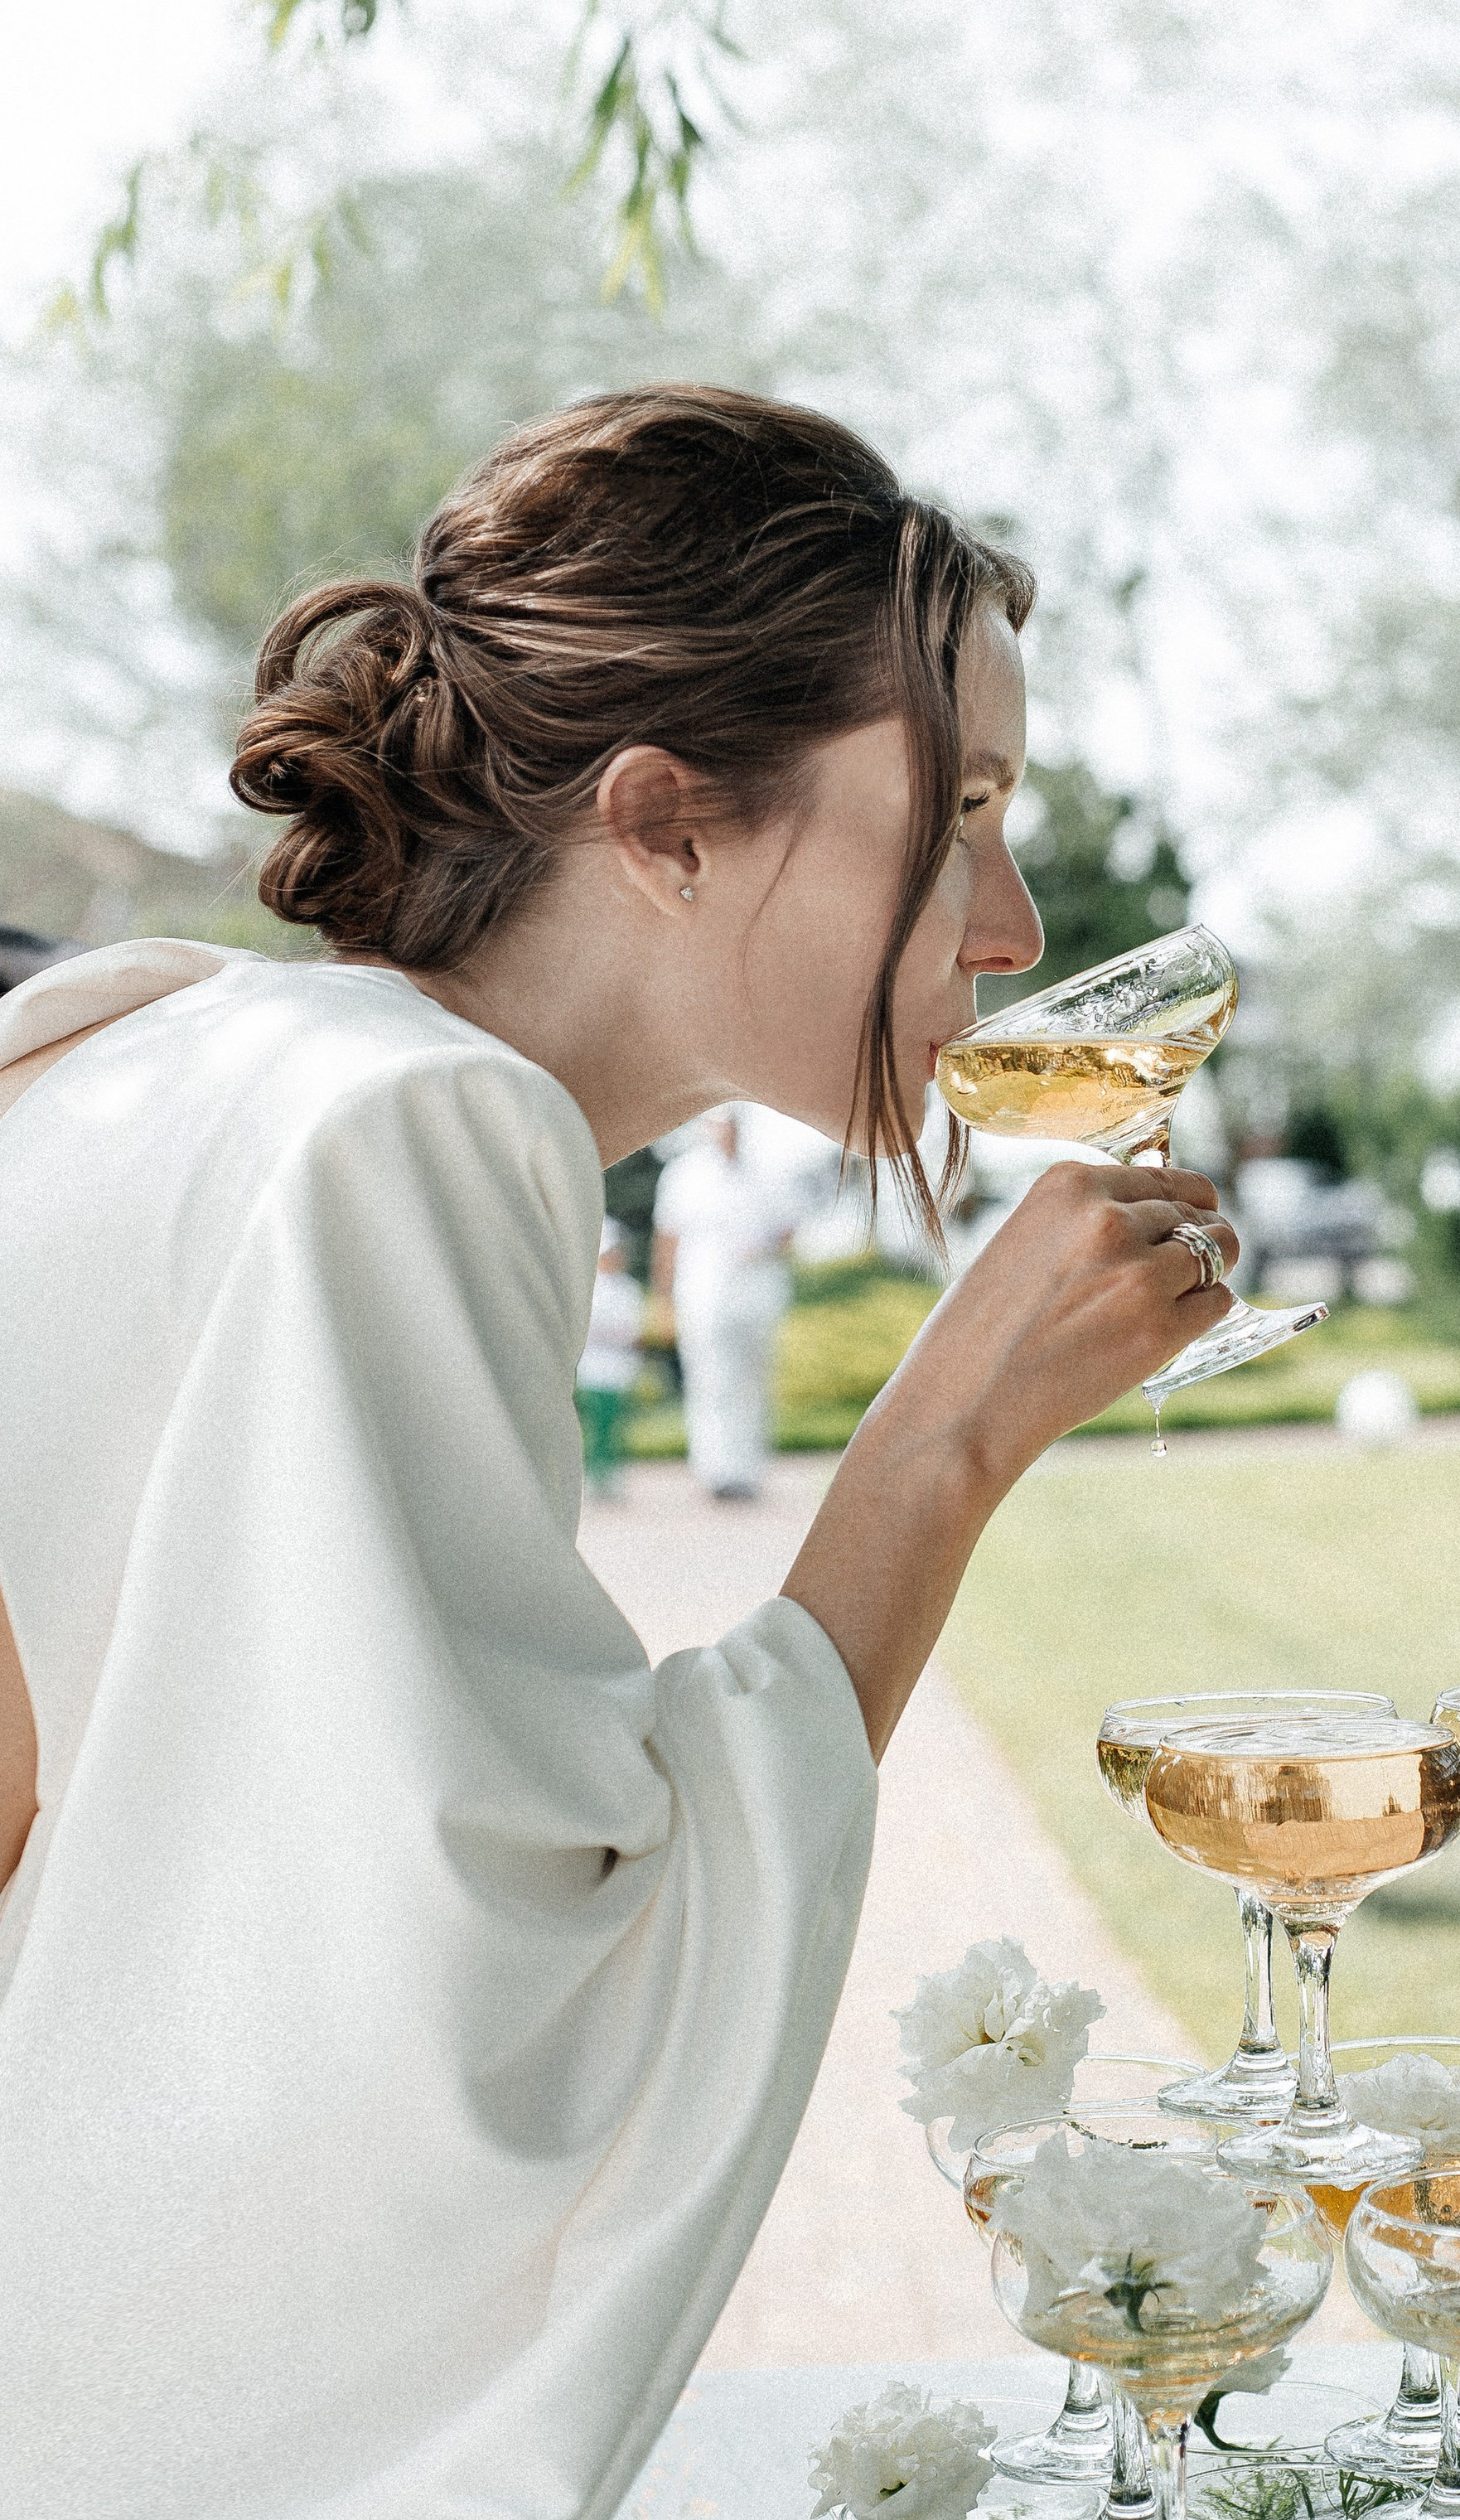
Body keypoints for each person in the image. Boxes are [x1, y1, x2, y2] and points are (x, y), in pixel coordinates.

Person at [0, 386, 1239, 2520]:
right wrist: (947, 1431)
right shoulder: (409, 1126)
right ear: (664, 816)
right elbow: (481, 2007)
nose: (1013, 920)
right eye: (956, 812)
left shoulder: (166, 1038)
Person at [653, 1110, 797, 1500]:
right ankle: (715, 1471)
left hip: (758, 1292)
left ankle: (748, 1470)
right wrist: (662, 1299)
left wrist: (762, 1248)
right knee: (710, 1380)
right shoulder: (683, 1174)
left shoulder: (768, 1172)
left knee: (752, 1381)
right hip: (702, 1294)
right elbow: (667, 1240)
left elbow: (787, 1233)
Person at [577, 1215, 647, 1492]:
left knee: (615, 1424)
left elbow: (633, 1330)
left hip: (619, 1365)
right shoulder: (589, 1287)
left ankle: (613, 1475)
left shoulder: (629, 1289)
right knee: (595, 1425)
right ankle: (596, 1475)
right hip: (594, 1364)